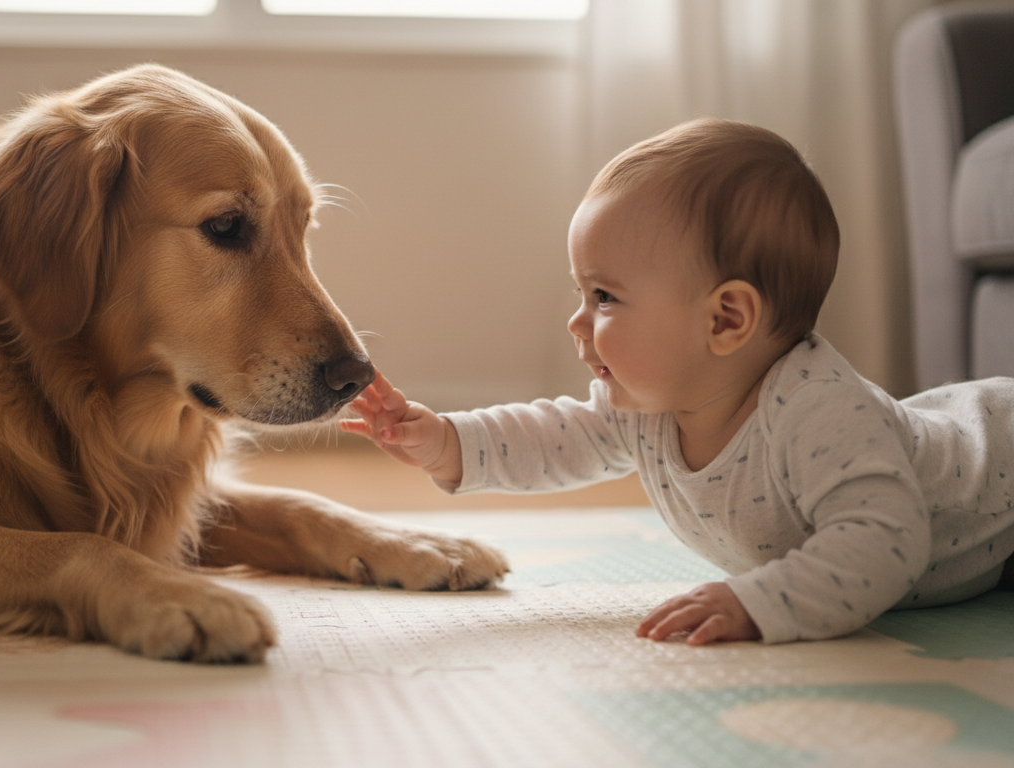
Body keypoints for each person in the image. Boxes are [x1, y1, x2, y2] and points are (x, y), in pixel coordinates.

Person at [341, 117, 1014, 645]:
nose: (577, 322)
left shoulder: (816, 412)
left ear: (725, 319)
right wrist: (448, 442)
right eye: (581, 292)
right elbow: (558, 437)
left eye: (604, 296)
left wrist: (759, 602)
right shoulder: (649, 400)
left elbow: (885, 541)